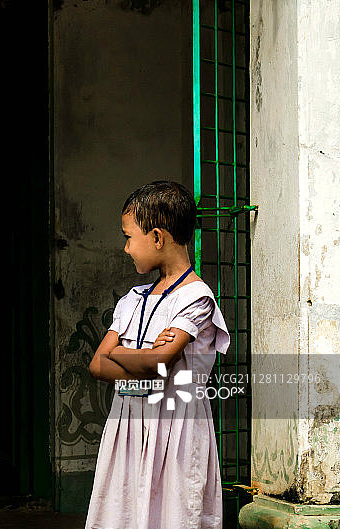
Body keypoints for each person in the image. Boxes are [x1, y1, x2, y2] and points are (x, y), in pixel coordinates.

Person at [86, 181, 230, 529]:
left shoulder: (196, 298)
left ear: (156, 237)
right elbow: (96, 365)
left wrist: (122, 353)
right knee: (124, 513)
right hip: (129, 424)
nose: (125, 248)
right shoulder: (133, 299)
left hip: (174, 429)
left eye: (128, 237)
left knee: (173, 513)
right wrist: (147, 355)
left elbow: (158, 365)